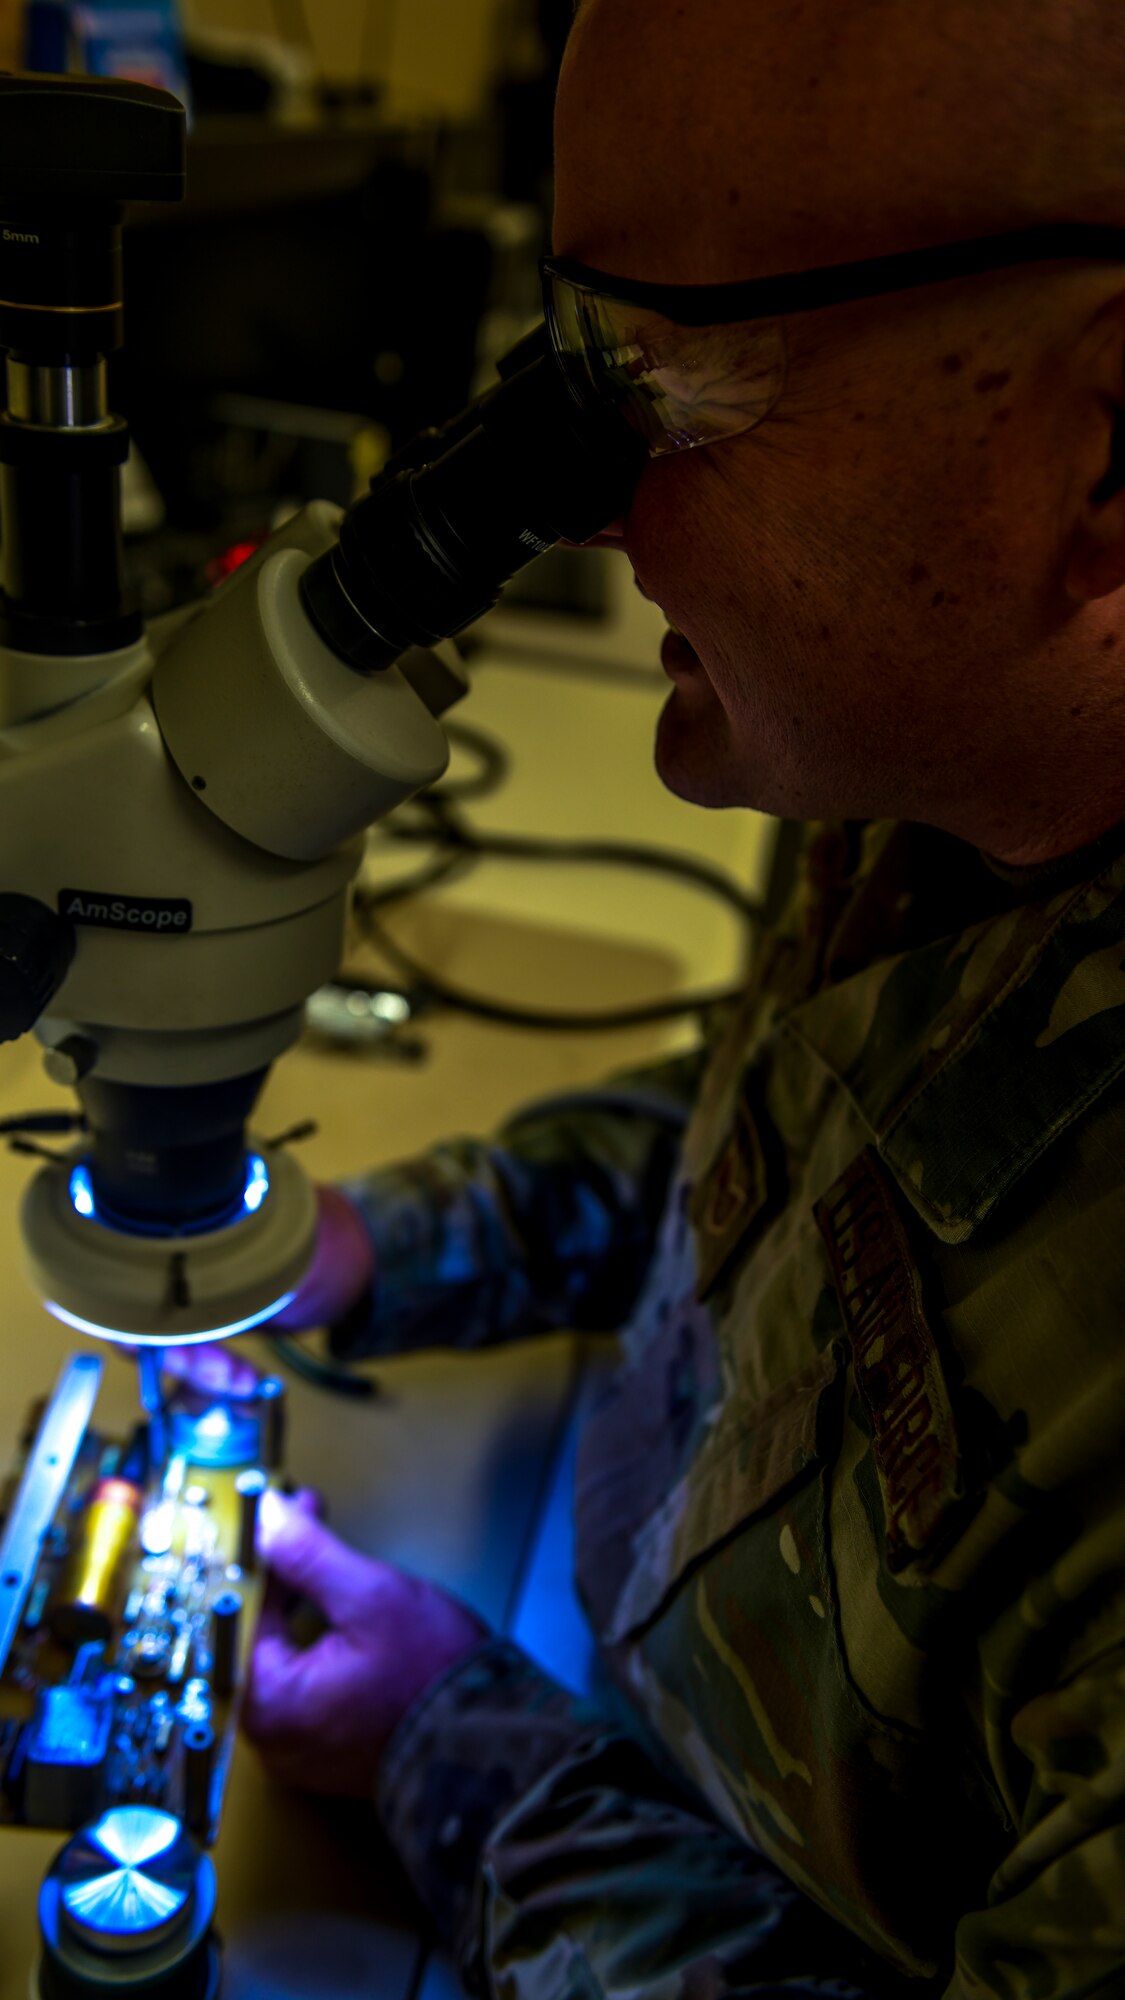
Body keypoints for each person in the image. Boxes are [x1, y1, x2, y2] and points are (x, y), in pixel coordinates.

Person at [173, 0, 1125, 1990]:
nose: (588, 513)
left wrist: (459, 1760)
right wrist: (379, 1249)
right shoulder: (943, 786)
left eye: (666, 389)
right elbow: (795, 1127)